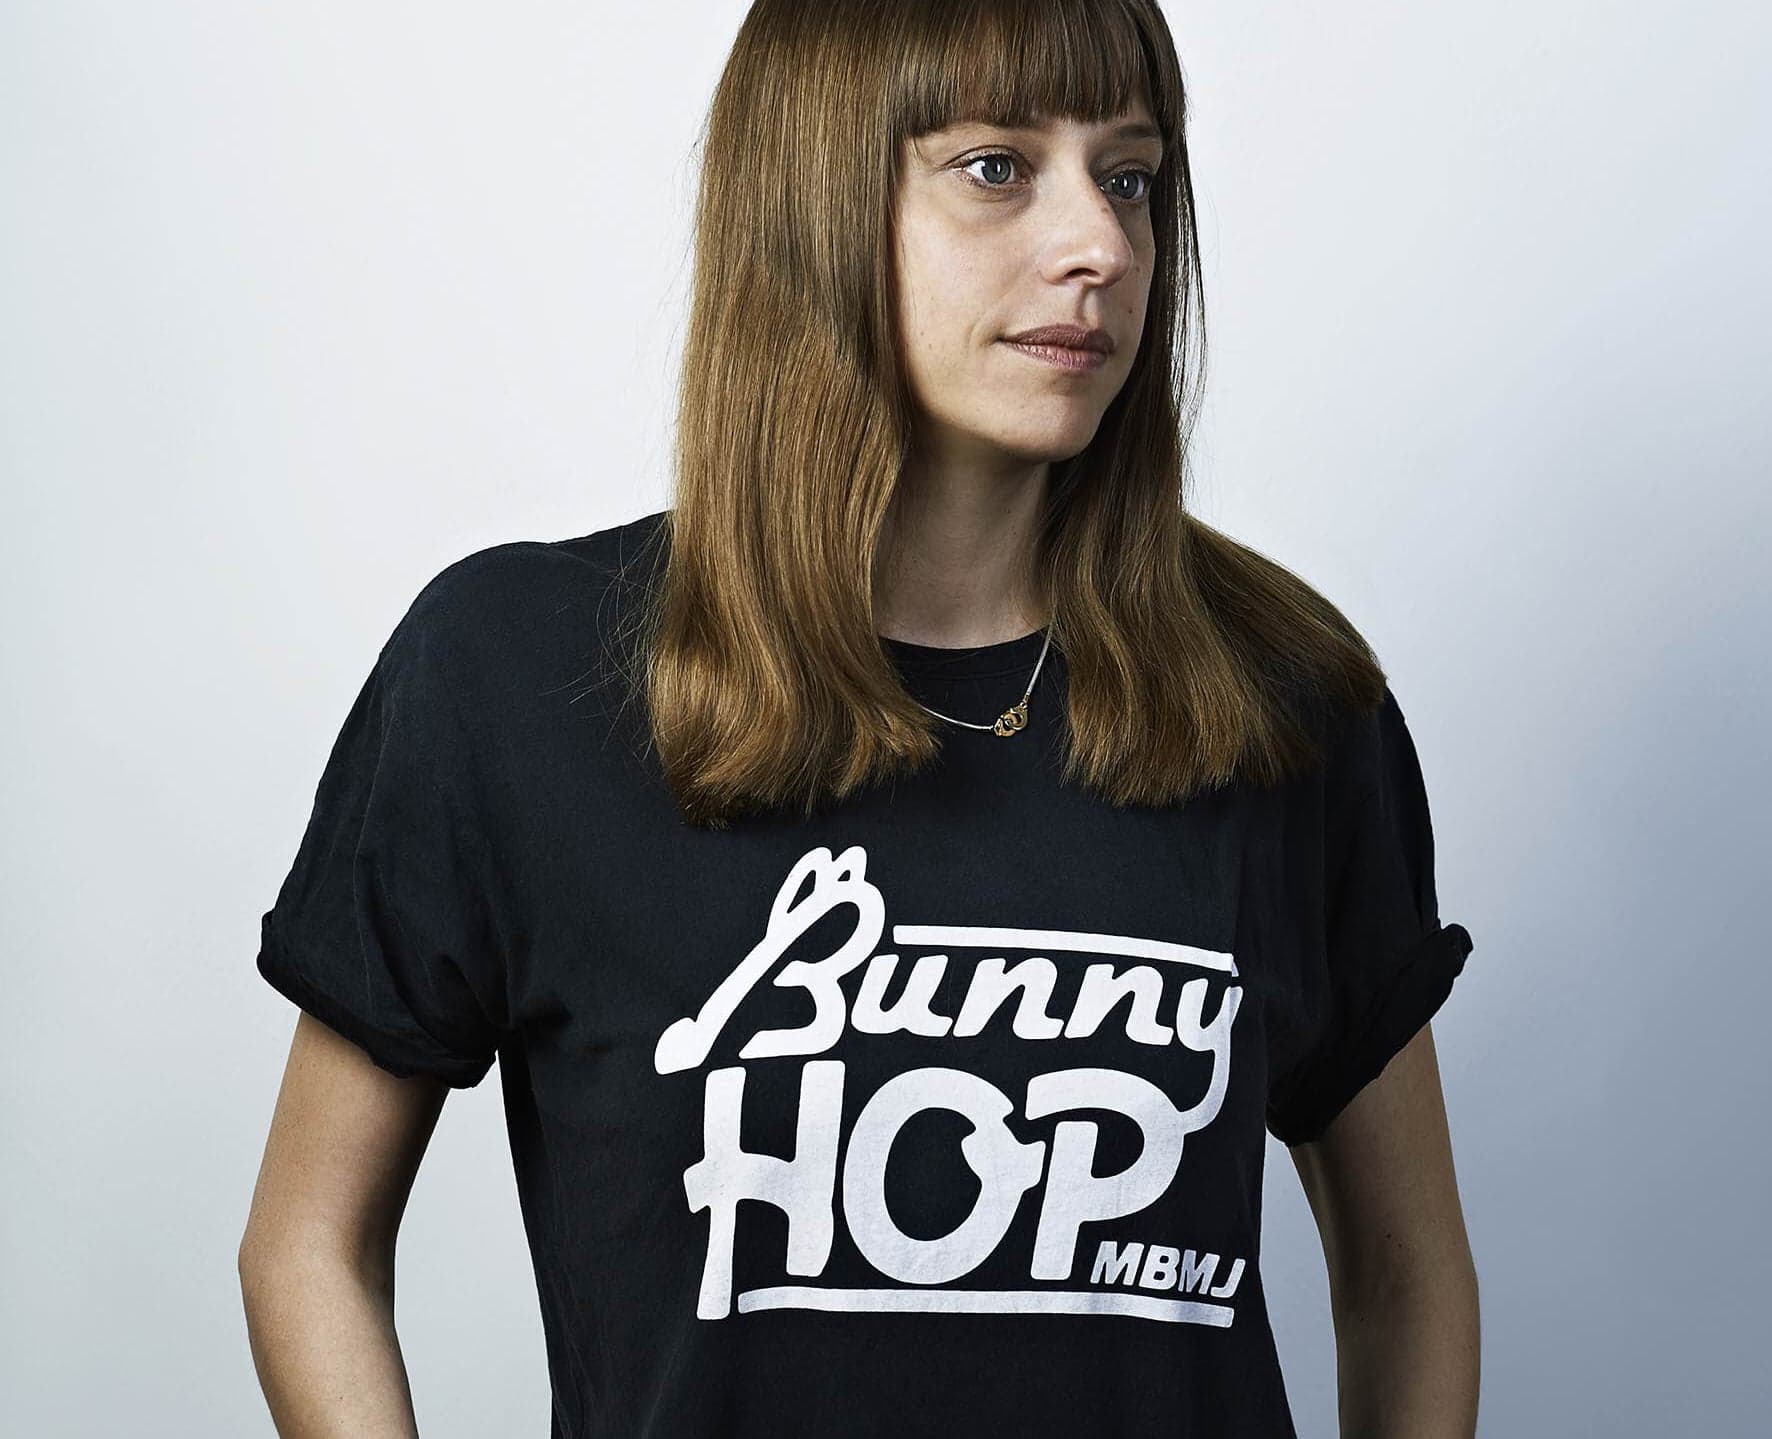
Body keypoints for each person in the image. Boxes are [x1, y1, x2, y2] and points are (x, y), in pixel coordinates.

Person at [238, 2, 1481, 1435]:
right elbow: (309, 1242)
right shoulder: (517, 675)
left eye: (1131, 177)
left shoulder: (1281, 699)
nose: (1100, 244)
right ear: (815, 205)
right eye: (997, 168)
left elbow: (1406, 1273)